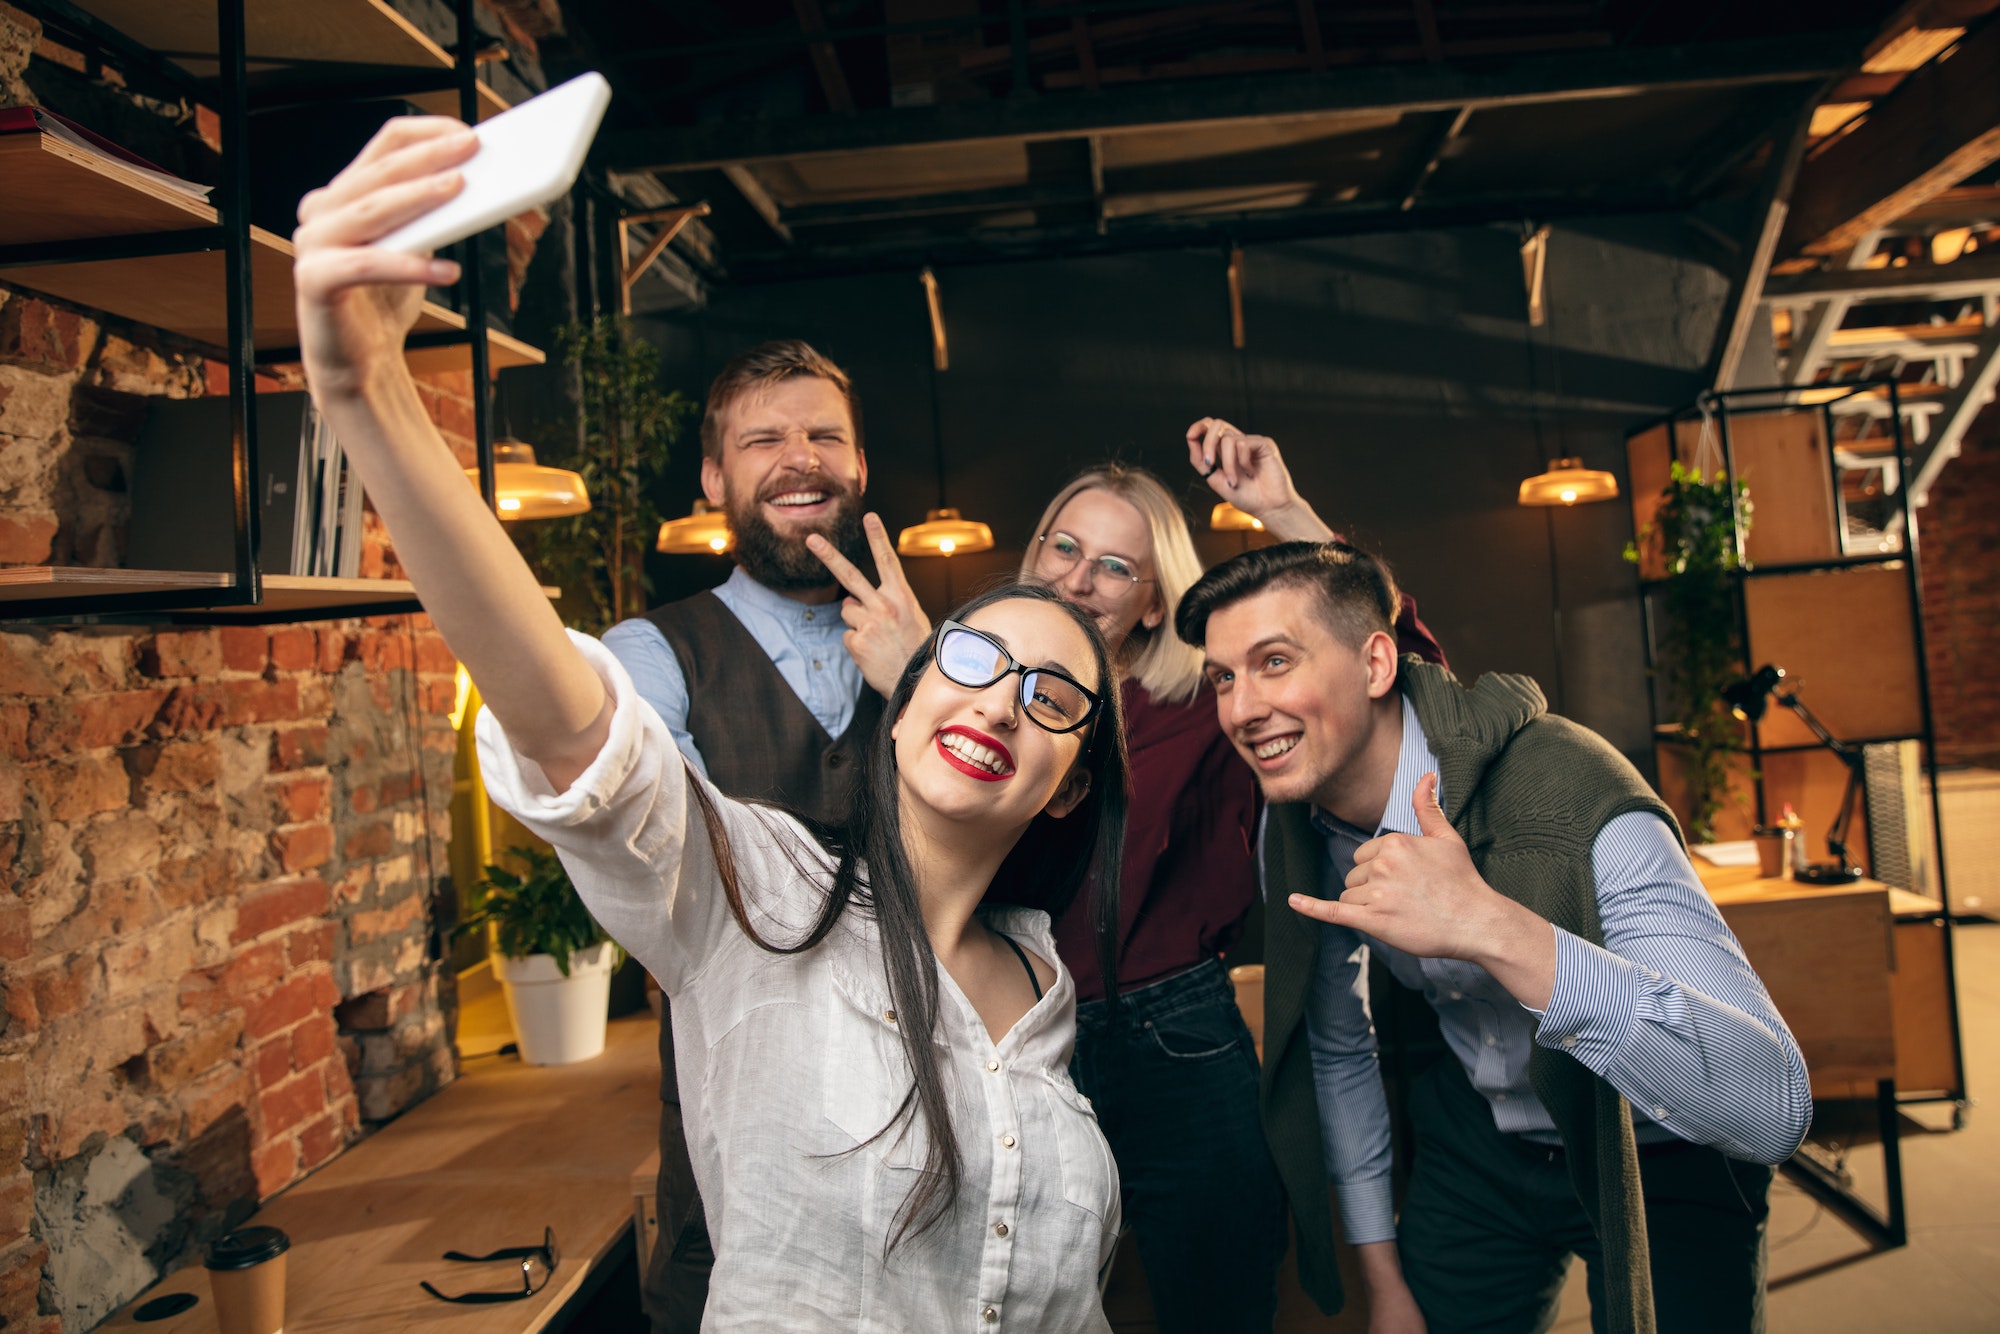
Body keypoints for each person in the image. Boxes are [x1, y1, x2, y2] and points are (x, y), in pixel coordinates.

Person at [291, 117, 1132, 1330]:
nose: (998, 693)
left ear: (1067, 782)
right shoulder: (763, 895)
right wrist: (366, 392)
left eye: (1049, 693)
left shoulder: (1042, 983)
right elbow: (592, 752)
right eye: (975, 658)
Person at [812, 419, 1443, 1332]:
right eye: (1062, 548)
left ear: (1153, 602)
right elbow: (921, 856)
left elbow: (1398, 678)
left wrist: (1285, 512)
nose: (1078, 576)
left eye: (1114, 565)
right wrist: (919, 681)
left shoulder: (1208, 702)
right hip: (1012, 1029)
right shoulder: (959, 695)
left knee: (1218, 1300)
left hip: (1176, 1040)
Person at [1175, 540, 1812, 1334]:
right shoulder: (1295, 821)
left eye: (1274, 662)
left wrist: (1489, 925)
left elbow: (1773, 1105)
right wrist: (1385, 1285)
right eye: (1224, 679)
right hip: (1483, 1133)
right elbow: (1338, 1049)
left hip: (1662, 1146)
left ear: (1376, 665)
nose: (1239, 709)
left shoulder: (1573, 791)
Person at [597, 338, 918, 1332]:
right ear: (713, 476)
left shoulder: (954, 652)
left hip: (925, 1086)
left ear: (858, 466)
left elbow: (1018, 846)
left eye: (825, 433)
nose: (800, 455)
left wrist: (924, 679)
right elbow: (657, 846)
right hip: (729, 1102)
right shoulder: (648, 654)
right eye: (763, 437)